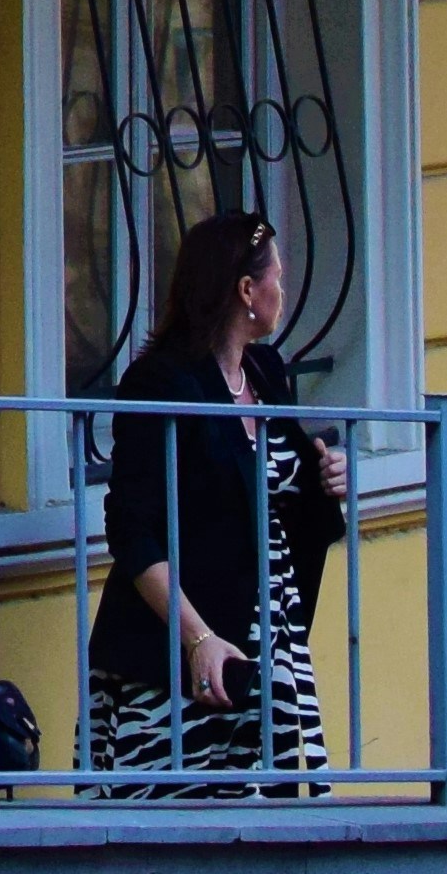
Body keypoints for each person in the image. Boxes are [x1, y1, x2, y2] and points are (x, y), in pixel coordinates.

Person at [82, 208, 342, 797]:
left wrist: (326, 474)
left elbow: (275, 494)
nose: (286, 285)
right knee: (172, 843)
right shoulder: (161, 384)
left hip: (263, 653)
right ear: (247, 290)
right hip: (172, 665)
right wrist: (197, 640)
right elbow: (132, 530)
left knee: (260, 839)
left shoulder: (266, 371)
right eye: (278, 272)